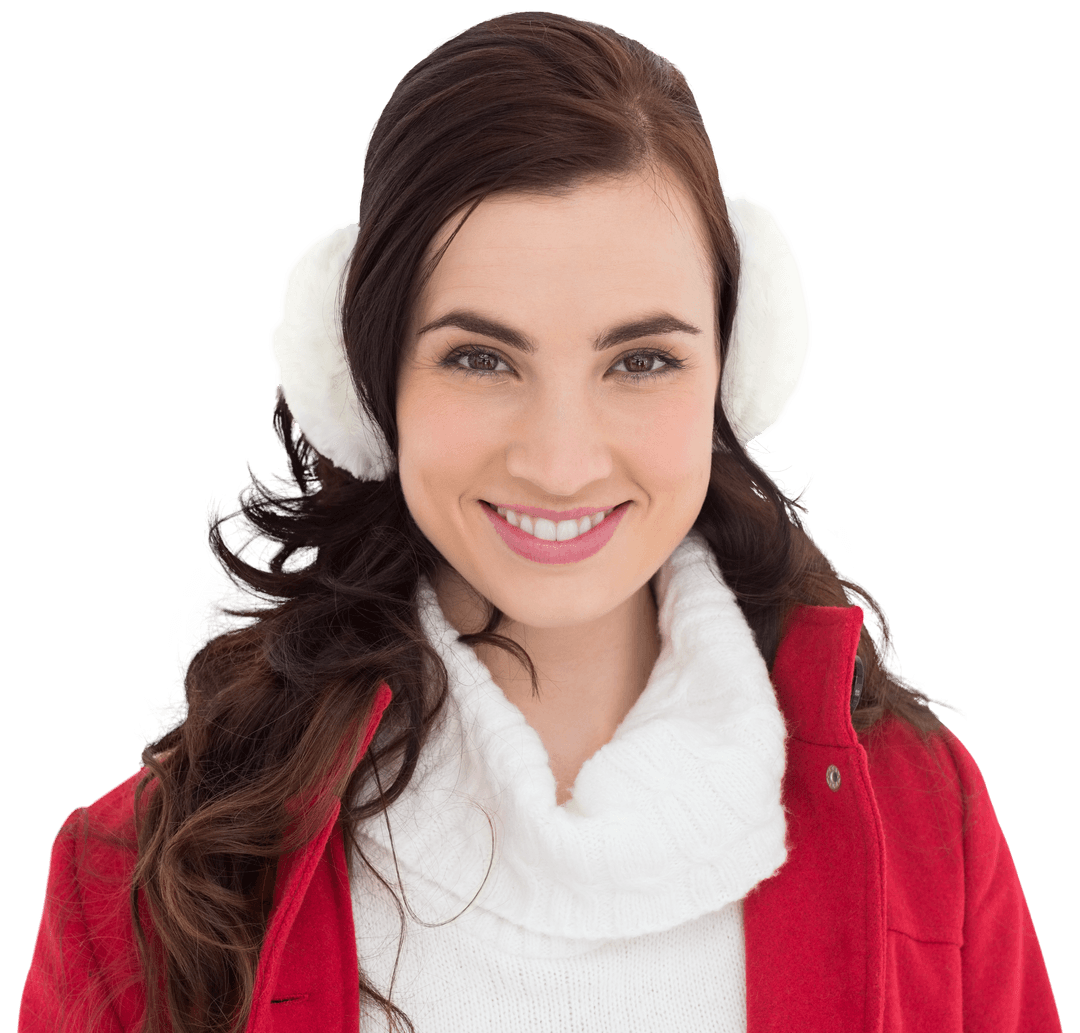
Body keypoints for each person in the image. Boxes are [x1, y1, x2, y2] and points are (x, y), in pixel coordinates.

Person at [19, 11, 1061, 1033]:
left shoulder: (928, 822)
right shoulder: (140, 882)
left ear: (733, 377)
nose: (561, 461)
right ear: (370, 383)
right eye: (481, 357)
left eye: (642, 360)